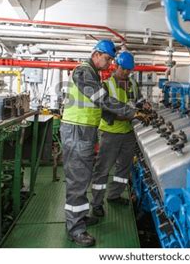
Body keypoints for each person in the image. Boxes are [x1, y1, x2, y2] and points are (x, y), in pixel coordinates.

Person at [60, 40, 147, 247]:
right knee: (78, 180)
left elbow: (102, 105)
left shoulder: (93, 73)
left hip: (84, 130)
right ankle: (75, 228)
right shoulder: (84, 72)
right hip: (77, 130)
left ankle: (78, 218)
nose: (109, 64)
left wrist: (136, 112)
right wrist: (132, 112)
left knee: (82, 176)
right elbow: (103, 100)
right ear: (97, 54)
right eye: (108, 59)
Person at [91, 51, 147, 217]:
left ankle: (114, 195)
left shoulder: (132, 84)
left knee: (124, 167)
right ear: (116, 67)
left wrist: (144, 107)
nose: (127, 73)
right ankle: (97, 203)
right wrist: (127, 115)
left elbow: (138, 101)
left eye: (130, 70)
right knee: (103, 169)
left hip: (128, 133)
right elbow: (104, 111)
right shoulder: (106, 86)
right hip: (110, 133)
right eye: (124, 69)